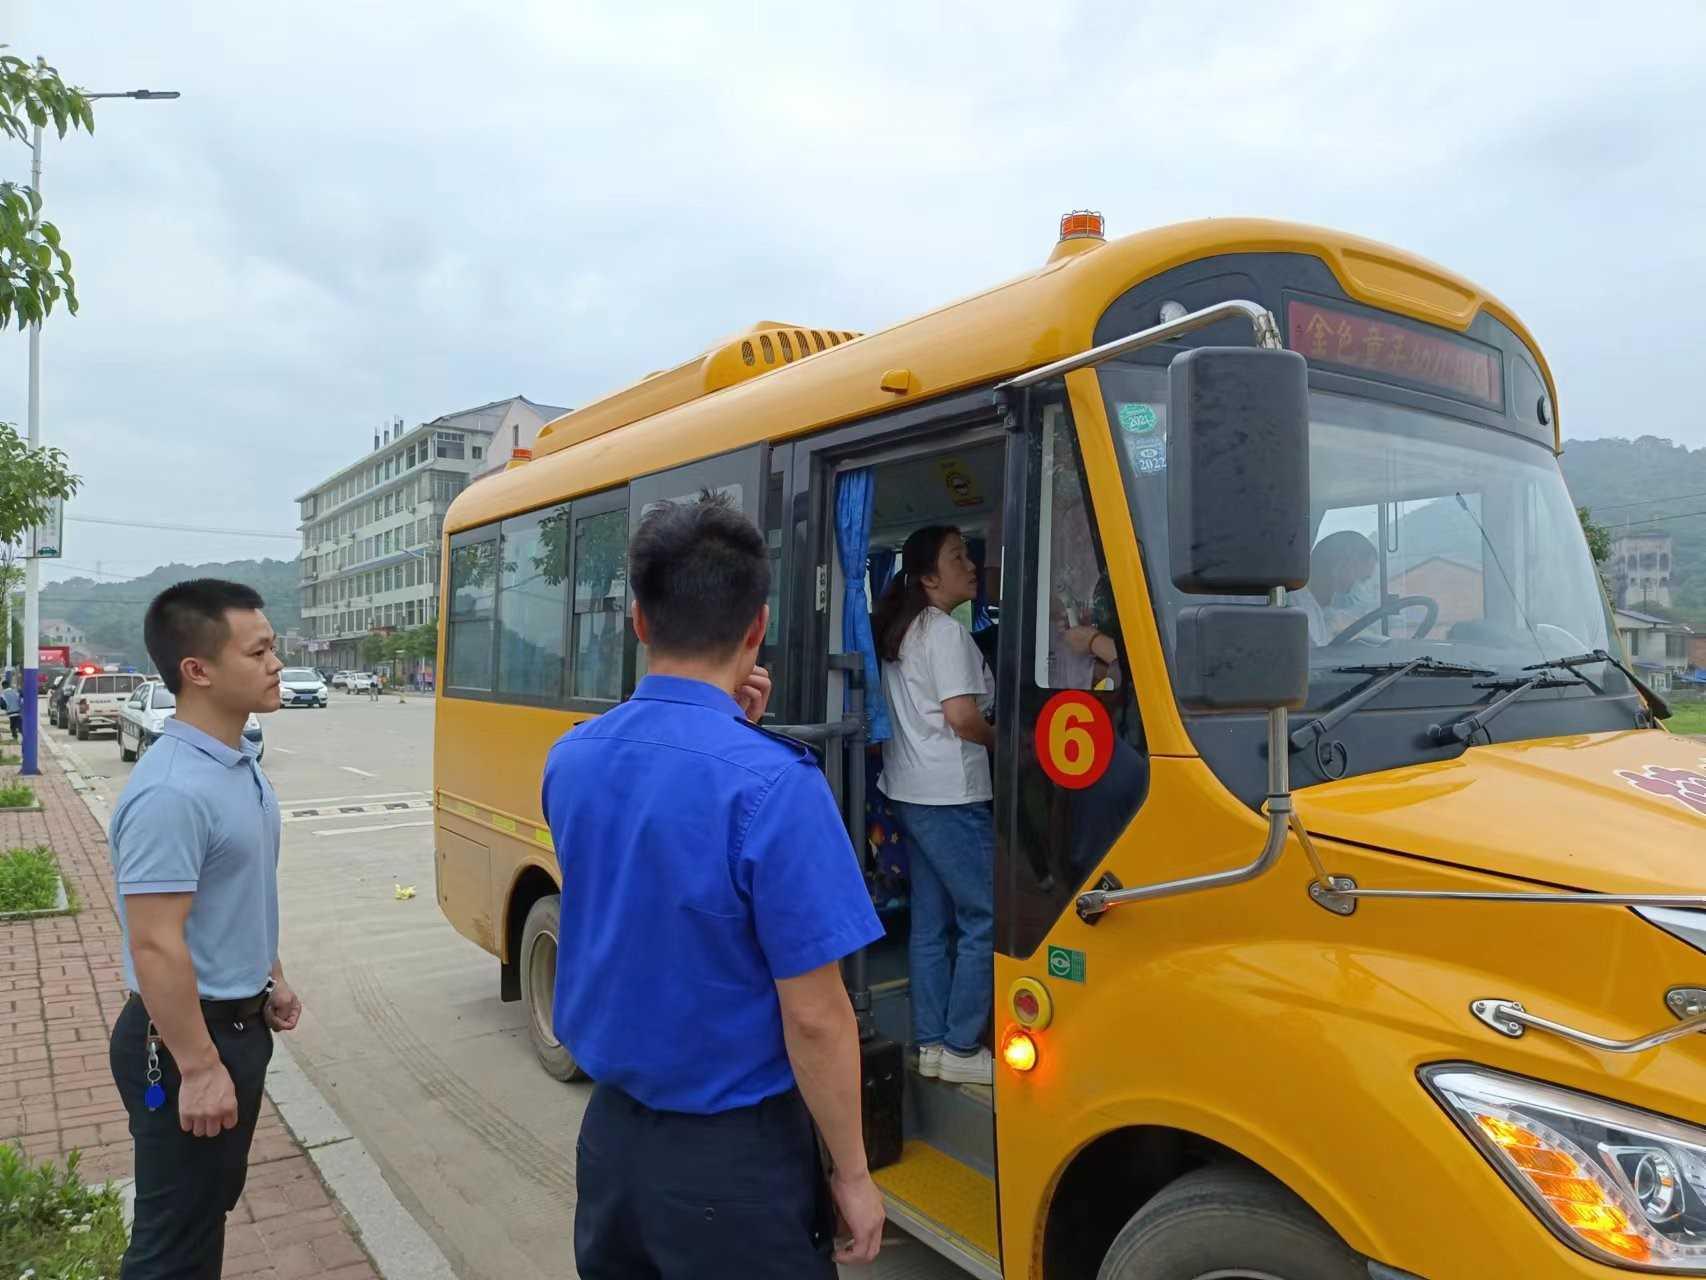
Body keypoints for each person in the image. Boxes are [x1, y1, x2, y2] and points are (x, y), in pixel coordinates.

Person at [541, 495, 887, 1278]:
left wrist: (734, 735)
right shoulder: (777, 788)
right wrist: (853, 1174)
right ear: (756, 626)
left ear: (638, 621)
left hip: (611, 1144)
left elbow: (646, 902)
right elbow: (817, 1018)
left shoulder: (572, 759)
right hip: (734, 1169)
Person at [104, 579, 300, 1278]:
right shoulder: (172, 791)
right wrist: (198, 1065)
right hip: (183, 1039)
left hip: (237, 1027)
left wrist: (268, 973)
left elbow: (231, 894)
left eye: (274, 647)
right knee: (172, 1246)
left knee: (202, 1213)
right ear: (198, 670)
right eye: (260, 650)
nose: (277, 663)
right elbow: (154, 940)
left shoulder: (237, 763)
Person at [871, 525, 997, 1087]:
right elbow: (963, 718)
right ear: (928, 577)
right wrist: (1010, 744)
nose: (970, 565)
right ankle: (963, 1046)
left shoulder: (905, 632)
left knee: (930, 921)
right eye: (957, 557)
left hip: (910, 791)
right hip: (952, 793)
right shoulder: (944, 633)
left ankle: (932, 1044)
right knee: (984, 915)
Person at [1295, 530, 1379, 645]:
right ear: (1343, 564)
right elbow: (1319, 659)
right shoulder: (1298, 611)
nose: (1360, 588)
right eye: (1362, 579)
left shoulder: (1315, 607)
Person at [2, 677, 19, 741]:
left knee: (12, 726)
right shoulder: (15, 691)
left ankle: (15, 737)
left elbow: (2, 705)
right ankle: (17, 735)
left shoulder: (3, 694)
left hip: (11, 712)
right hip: (18, 711)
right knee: (17, 724)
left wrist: (6, 709)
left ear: (3, 686)